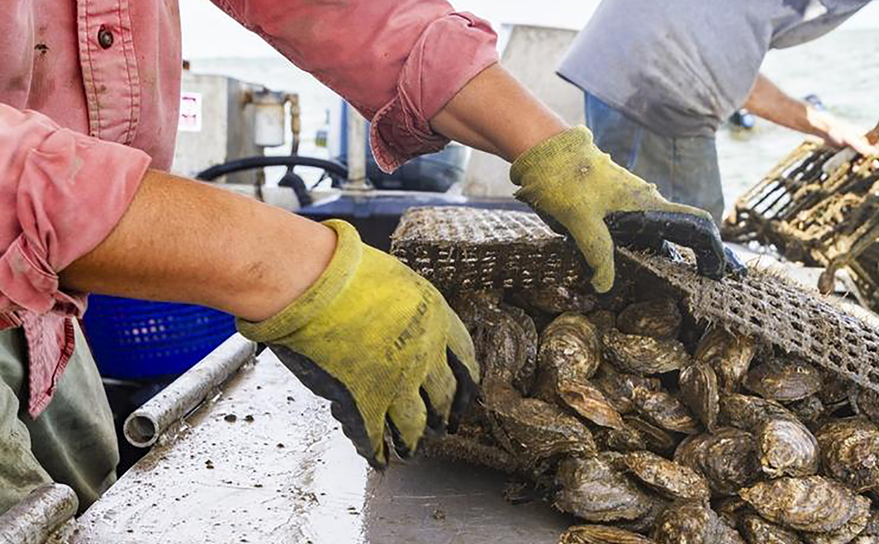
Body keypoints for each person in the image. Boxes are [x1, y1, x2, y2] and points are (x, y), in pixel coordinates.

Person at [0, 1, 727, 514]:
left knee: (87, 529)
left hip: (50, 314)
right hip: (32, 250)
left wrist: (549, 147)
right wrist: (284, 265)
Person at [558, 0, 879, 223]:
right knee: (683, 256)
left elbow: (723, 59)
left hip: (616, 63)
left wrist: (821, 123)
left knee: (625, 228)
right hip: (664, 82)